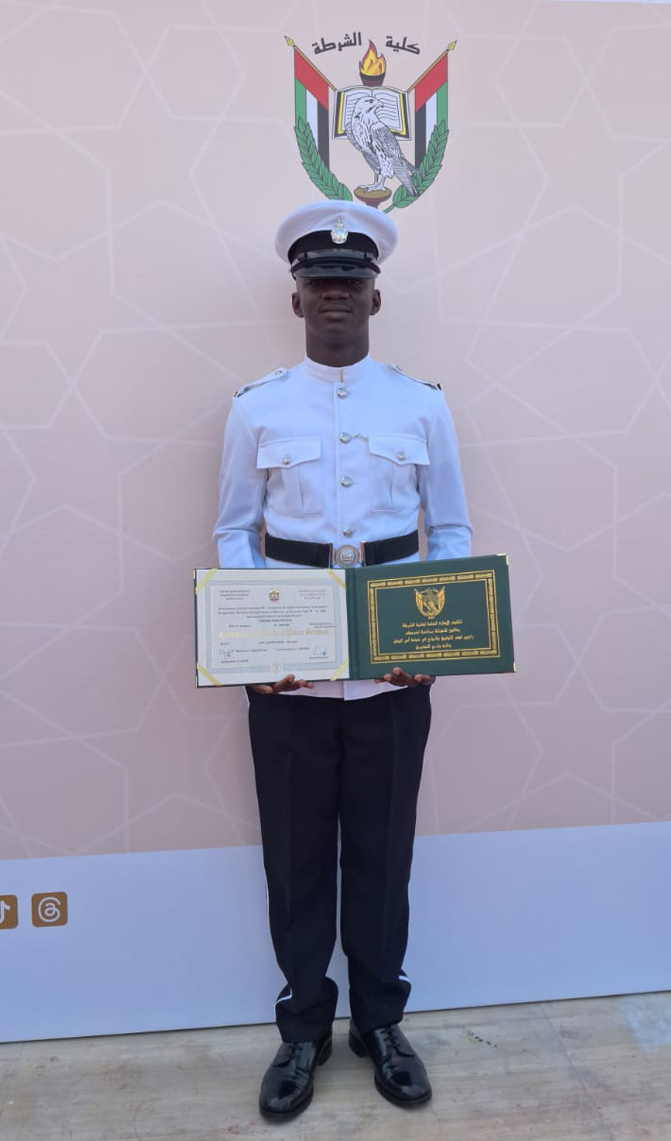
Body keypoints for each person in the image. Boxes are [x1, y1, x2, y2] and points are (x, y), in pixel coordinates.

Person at [213, 199, 472, 1120]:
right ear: (296, 298)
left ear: (375, 297)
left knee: (381, 850)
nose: (335, 295)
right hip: (288, 677)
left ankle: (381, 1022)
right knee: (295, 857)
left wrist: (431, 644)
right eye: (319, 282)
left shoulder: (422, 404)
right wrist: (255, 646)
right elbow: (236, 532)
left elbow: (450, 530)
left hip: (393, 675)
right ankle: (302, 1029)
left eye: (350, 283)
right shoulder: (255, 408)